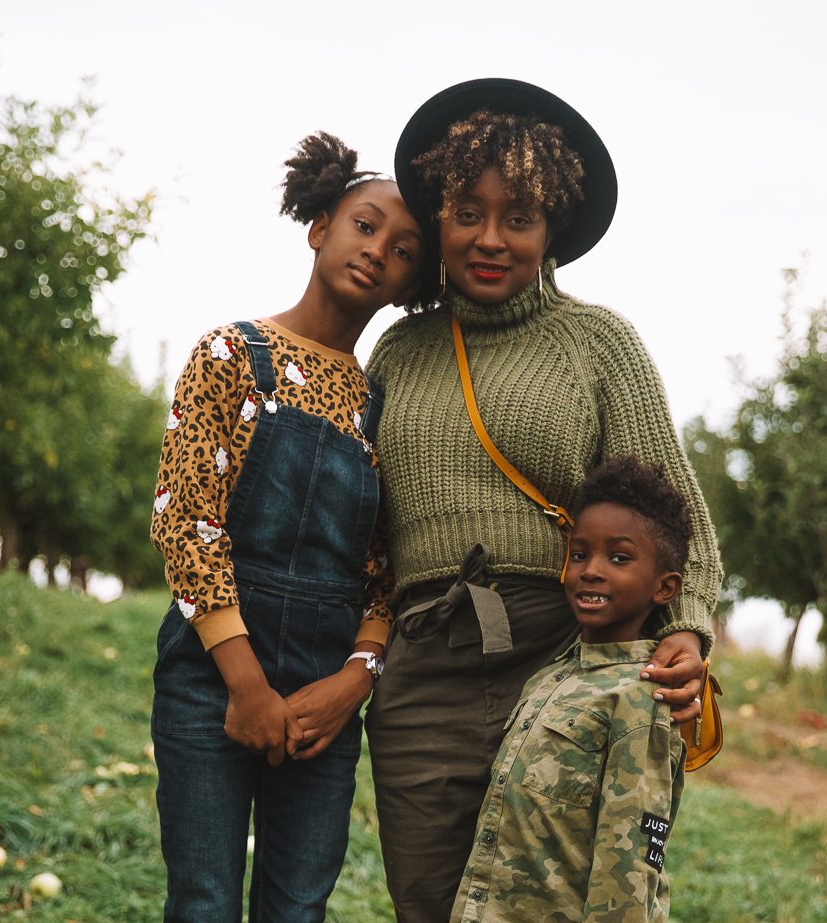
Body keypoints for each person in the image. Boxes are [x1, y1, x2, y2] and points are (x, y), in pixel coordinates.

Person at [364, 78, 723, 922]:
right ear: (438, 221)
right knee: (428, 899)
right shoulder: (398, 351)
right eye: (468, 213)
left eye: (518, 216)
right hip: (425, 670)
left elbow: (683, 521)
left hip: (567, 663)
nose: (492, 238)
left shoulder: (598, 344)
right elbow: (366, 533)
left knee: (557, 901)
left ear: (551, 226)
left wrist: (688, 631)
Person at [149, 132, 424, 923]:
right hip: (212, 676)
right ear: (320, 225)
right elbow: (186, 520)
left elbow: (384, 572)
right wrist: (245, 684)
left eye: (403, 250)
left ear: (410, 283)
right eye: (364, 225)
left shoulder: (382, 406)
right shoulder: (232, 355)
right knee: (202, 900)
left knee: (299, 906)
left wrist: (350, 684)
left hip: (324, 695)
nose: (377, 252)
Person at [451, 455, 692, 923]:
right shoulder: (552, 676)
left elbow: (631, 862)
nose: (590, 570)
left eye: (618, 558)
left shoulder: (640, 697)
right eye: (580, 554)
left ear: (664, 588)